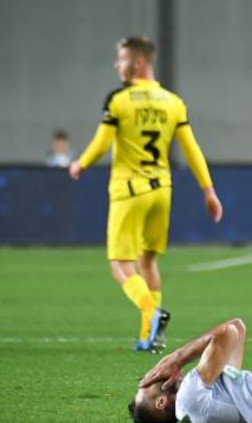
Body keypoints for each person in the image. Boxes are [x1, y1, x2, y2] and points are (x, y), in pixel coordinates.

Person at [69, 36, 223, 352]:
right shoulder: (173, 102)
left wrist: (80, 163)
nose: (117, 65)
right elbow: (192, 149)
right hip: (162, 192)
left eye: (122, 59)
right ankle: (148, 336)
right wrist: (209, 190)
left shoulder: (119, 100)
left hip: (129, 191)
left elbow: (102, 143)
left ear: (139, 62)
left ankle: (151, 312)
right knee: (148, 262)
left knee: (120, 265)